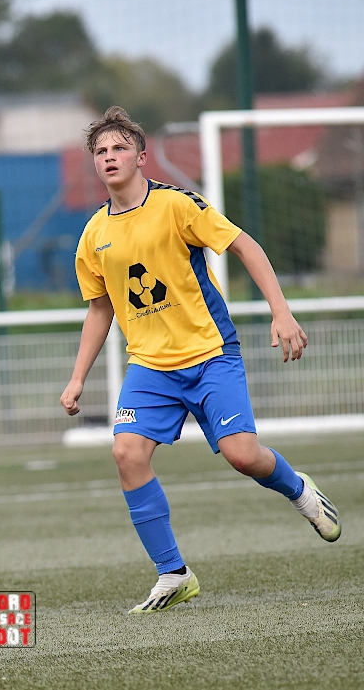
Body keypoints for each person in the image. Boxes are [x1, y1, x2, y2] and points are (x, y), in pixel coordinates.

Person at [60, 107, 341, 613]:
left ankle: (300, 490)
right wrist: (78, 377)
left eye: (119, 148)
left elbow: (244, 246)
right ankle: (173, 573)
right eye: (100, 151)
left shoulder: (177, 205)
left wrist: (281, 312)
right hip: (149, 367)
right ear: (94, 163)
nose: (110, 157)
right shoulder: (93, 235)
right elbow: (100, 308)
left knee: (243, 456)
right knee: (126, 454)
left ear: (141, 157)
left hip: (211, 355)